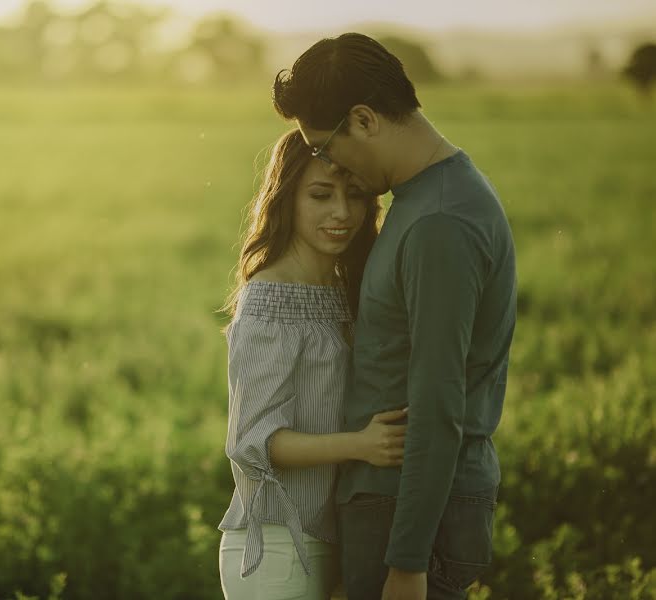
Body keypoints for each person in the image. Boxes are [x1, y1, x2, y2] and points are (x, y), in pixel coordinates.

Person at [272, 33, 518, 600]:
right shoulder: (425, 199)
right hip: (395, 503)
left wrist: (406, 565)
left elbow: (437, 399)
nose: (330, 166)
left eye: (325, 147)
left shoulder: (438, 223)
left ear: (363, 119)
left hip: (404, 516)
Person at [217, 129, 409, 600]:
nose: (341, 213)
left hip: (333, 538)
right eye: (321, 195)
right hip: (277, 547)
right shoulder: (267, 300)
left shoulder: (346, 290)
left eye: (356, 196)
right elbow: (253, 442)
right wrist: (360, 445)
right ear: (287, 198)